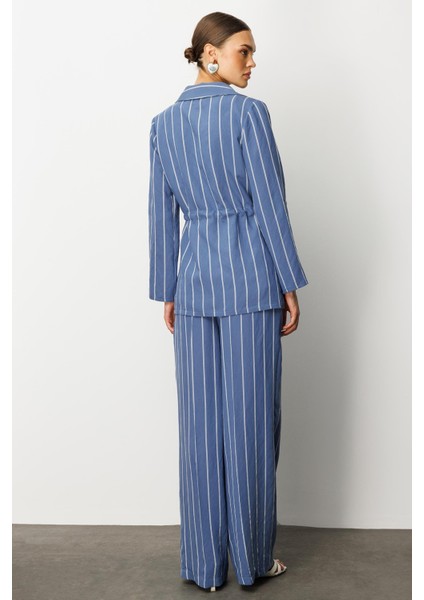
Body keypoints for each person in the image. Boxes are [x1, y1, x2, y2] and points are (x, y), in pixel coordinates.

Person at [148, 11, 309, 593]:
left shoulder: (163, 124)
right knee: (250, 427)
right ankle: (252, 560)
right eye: (245, 50)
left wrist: (167, 290)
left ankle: (203, 565)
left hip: (192, 287)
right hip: (250, 285)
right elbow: (269, 203)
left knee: (199, 430)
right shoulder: (248, 114)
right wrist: (288, 282)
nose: (253, 61)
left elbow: (161, 214)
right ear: (210, 54)